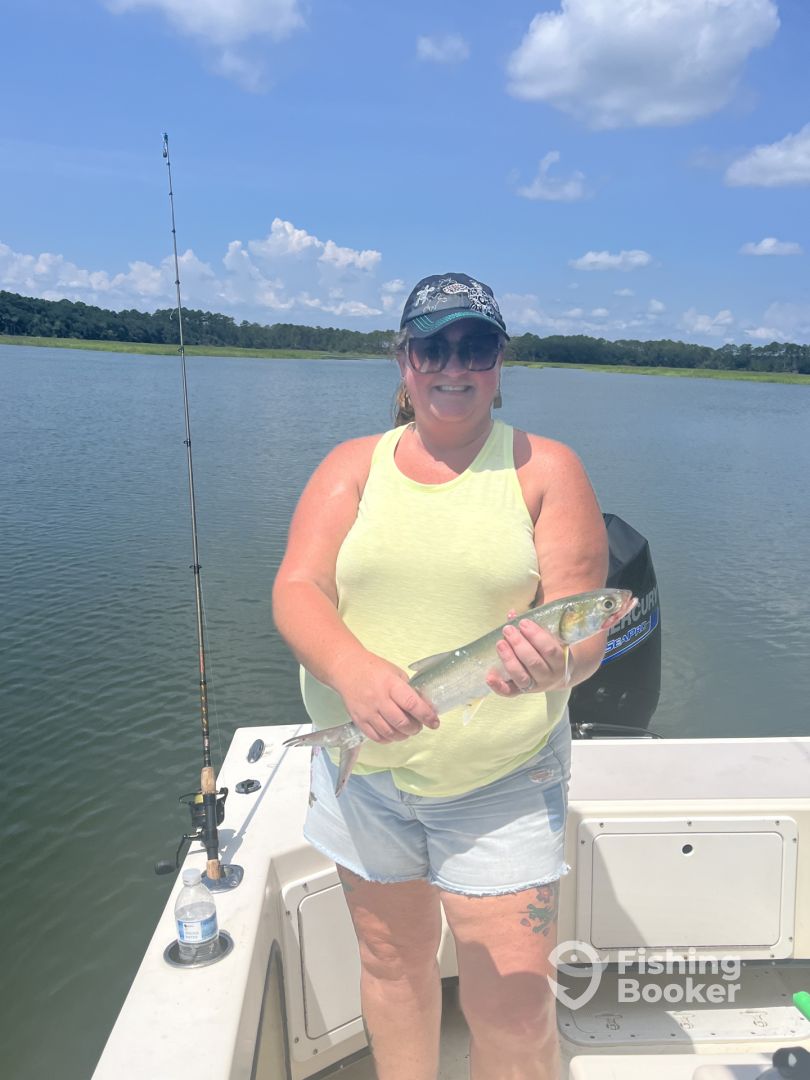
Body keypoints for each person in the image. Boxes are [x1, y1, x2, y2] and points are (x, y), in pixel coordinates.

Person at [272, 272, 614, 1080]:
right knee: (392, 966)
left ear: (500, 362)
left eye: (475, 346)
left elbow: (586, 632)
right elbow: (297, 586)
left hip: (501, 779)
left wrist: (556, 666)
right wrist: (352, 671)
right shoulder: (352, 465)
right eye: (431, 348)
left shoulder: (546, 468)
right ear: (403, 361)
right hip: (366, 777)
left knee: (515, 1006)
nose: (452, 365)